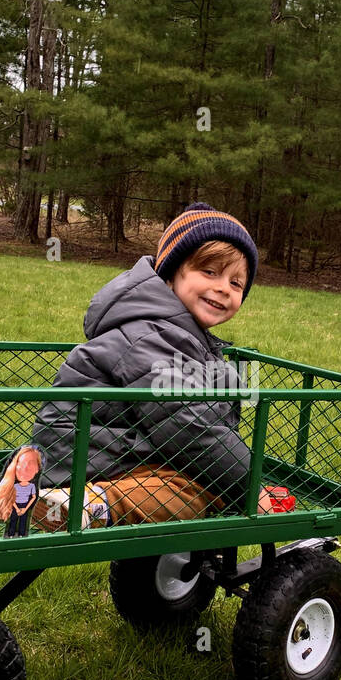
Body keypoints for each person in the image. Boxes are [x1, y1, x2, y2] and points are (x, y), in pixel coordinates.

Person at [29, 203, 278, 530]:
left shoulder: (183, 335)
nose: (223, 288)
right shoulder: (152, 334)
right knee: (202, 493)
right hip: (84, 461)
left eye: (236, 283)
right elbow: (189, 425)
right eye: (210, 272)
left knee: (205, 479)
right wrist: (249, 487)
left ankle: (92, 501)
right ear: (173, 272)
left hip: (116, 455)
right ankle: (86, 504)